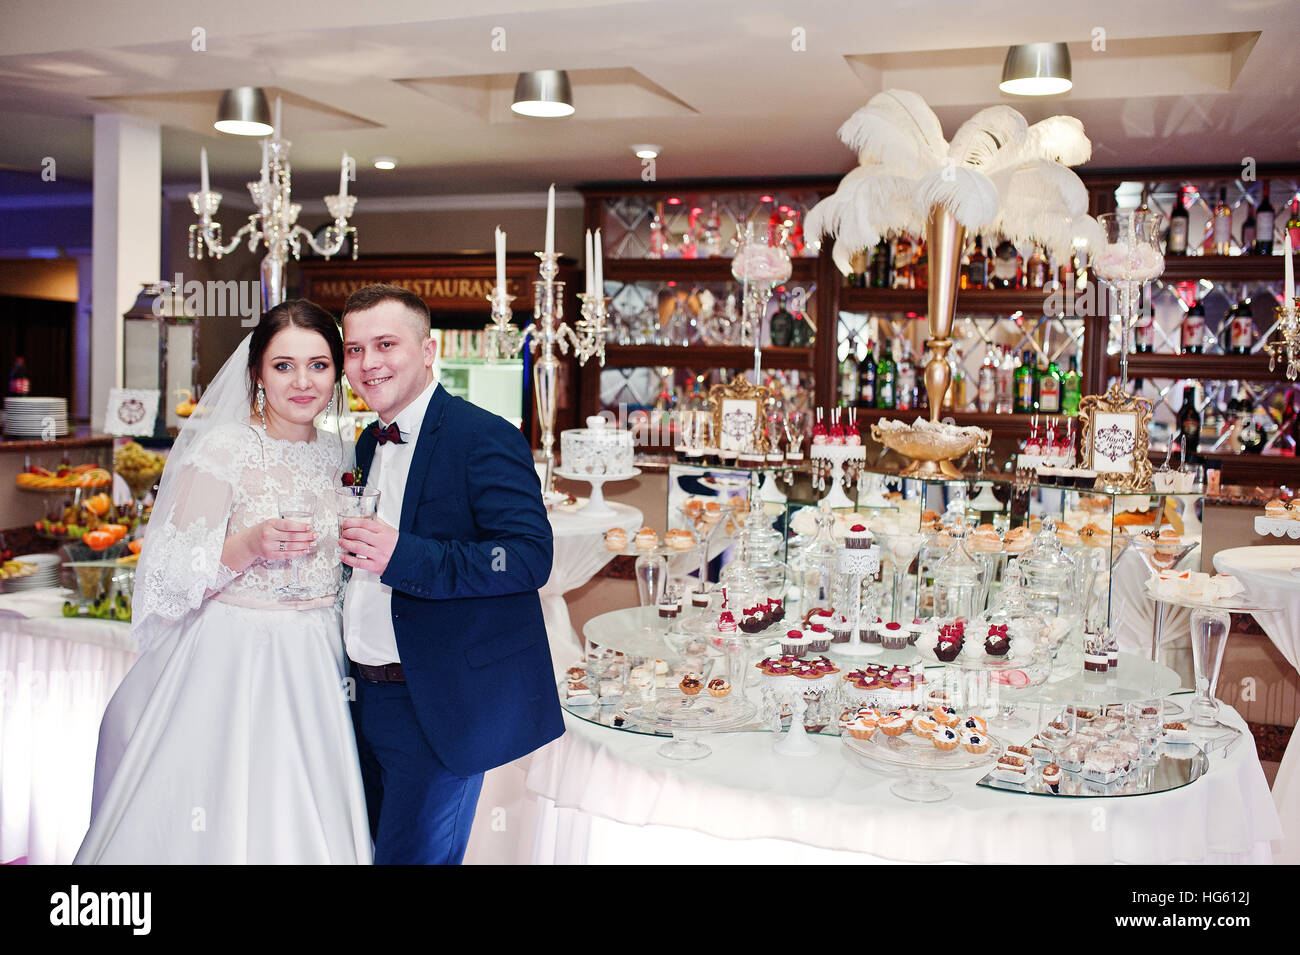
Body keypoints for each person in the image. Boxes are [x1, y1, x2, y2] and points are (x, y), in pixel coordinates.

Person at [75, 301, 371, 864]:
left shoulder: (342, 453)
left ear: (337, 374)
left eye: (319, 365)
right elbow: (167, 574)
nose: (303, 382)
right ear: (257, 372)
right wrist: (247, 546)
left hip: (323, 654)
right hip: (238, 654)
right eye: (284, 366)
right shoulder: (225, 448)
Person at [339, 284, 563, 865]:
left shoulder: (482, 436)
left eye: (385, 344)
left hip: (435, 705)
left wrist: (404, 556)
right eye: (355, 349)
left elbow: (526, 556)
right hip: (357, 701)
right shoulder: (366, 442)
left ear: (428, 348)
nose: (368, 363)